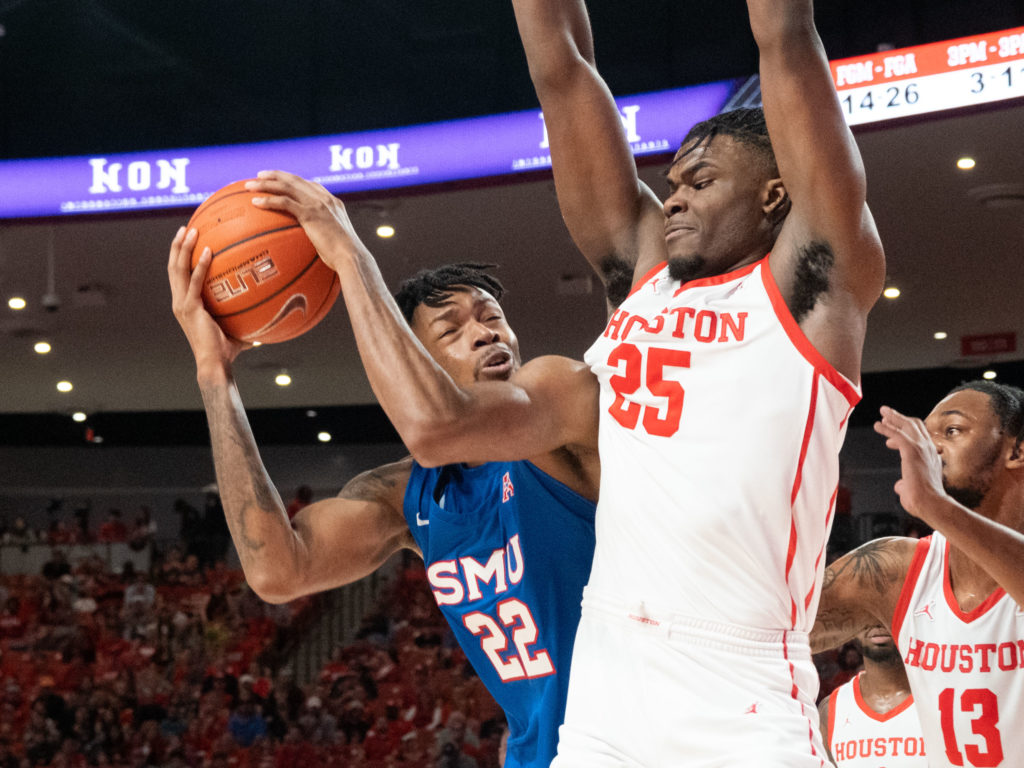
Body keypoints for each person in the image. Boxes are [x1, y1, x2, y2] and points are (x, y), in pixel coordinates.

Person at [495, 0, 887, 762]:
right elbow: (565, 77)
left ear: (775, 194)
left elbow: (785, 35)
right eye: (671, 182)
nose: (672, 196)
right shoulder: (644, 275)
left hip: (739, 685)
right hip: (610, 676)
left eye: (700, 181)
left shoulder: (814, 287)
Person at [168, 226, 599, 767]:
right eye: (451, 330)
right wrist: (215, 375)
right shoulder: (407, 494)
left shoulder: (559, 404)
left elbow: (436, 427)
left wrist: (349, 255)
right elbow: (276, 570)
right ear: (417, 364)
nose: (485, 334)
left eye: (491, 317)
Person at [812, 381, 1024, 767]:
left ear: (1017, 450)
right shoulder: (896, 569)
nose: (931, 447)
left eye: (952, 430)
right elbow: (773, 629)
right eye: (926, 436)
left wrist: (934, 506)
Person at [818, 625, 926, 766]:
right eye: (868, 615)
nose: (876, 623)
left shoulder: (940, 701)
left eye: (883, 613)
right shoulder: (831, 709)